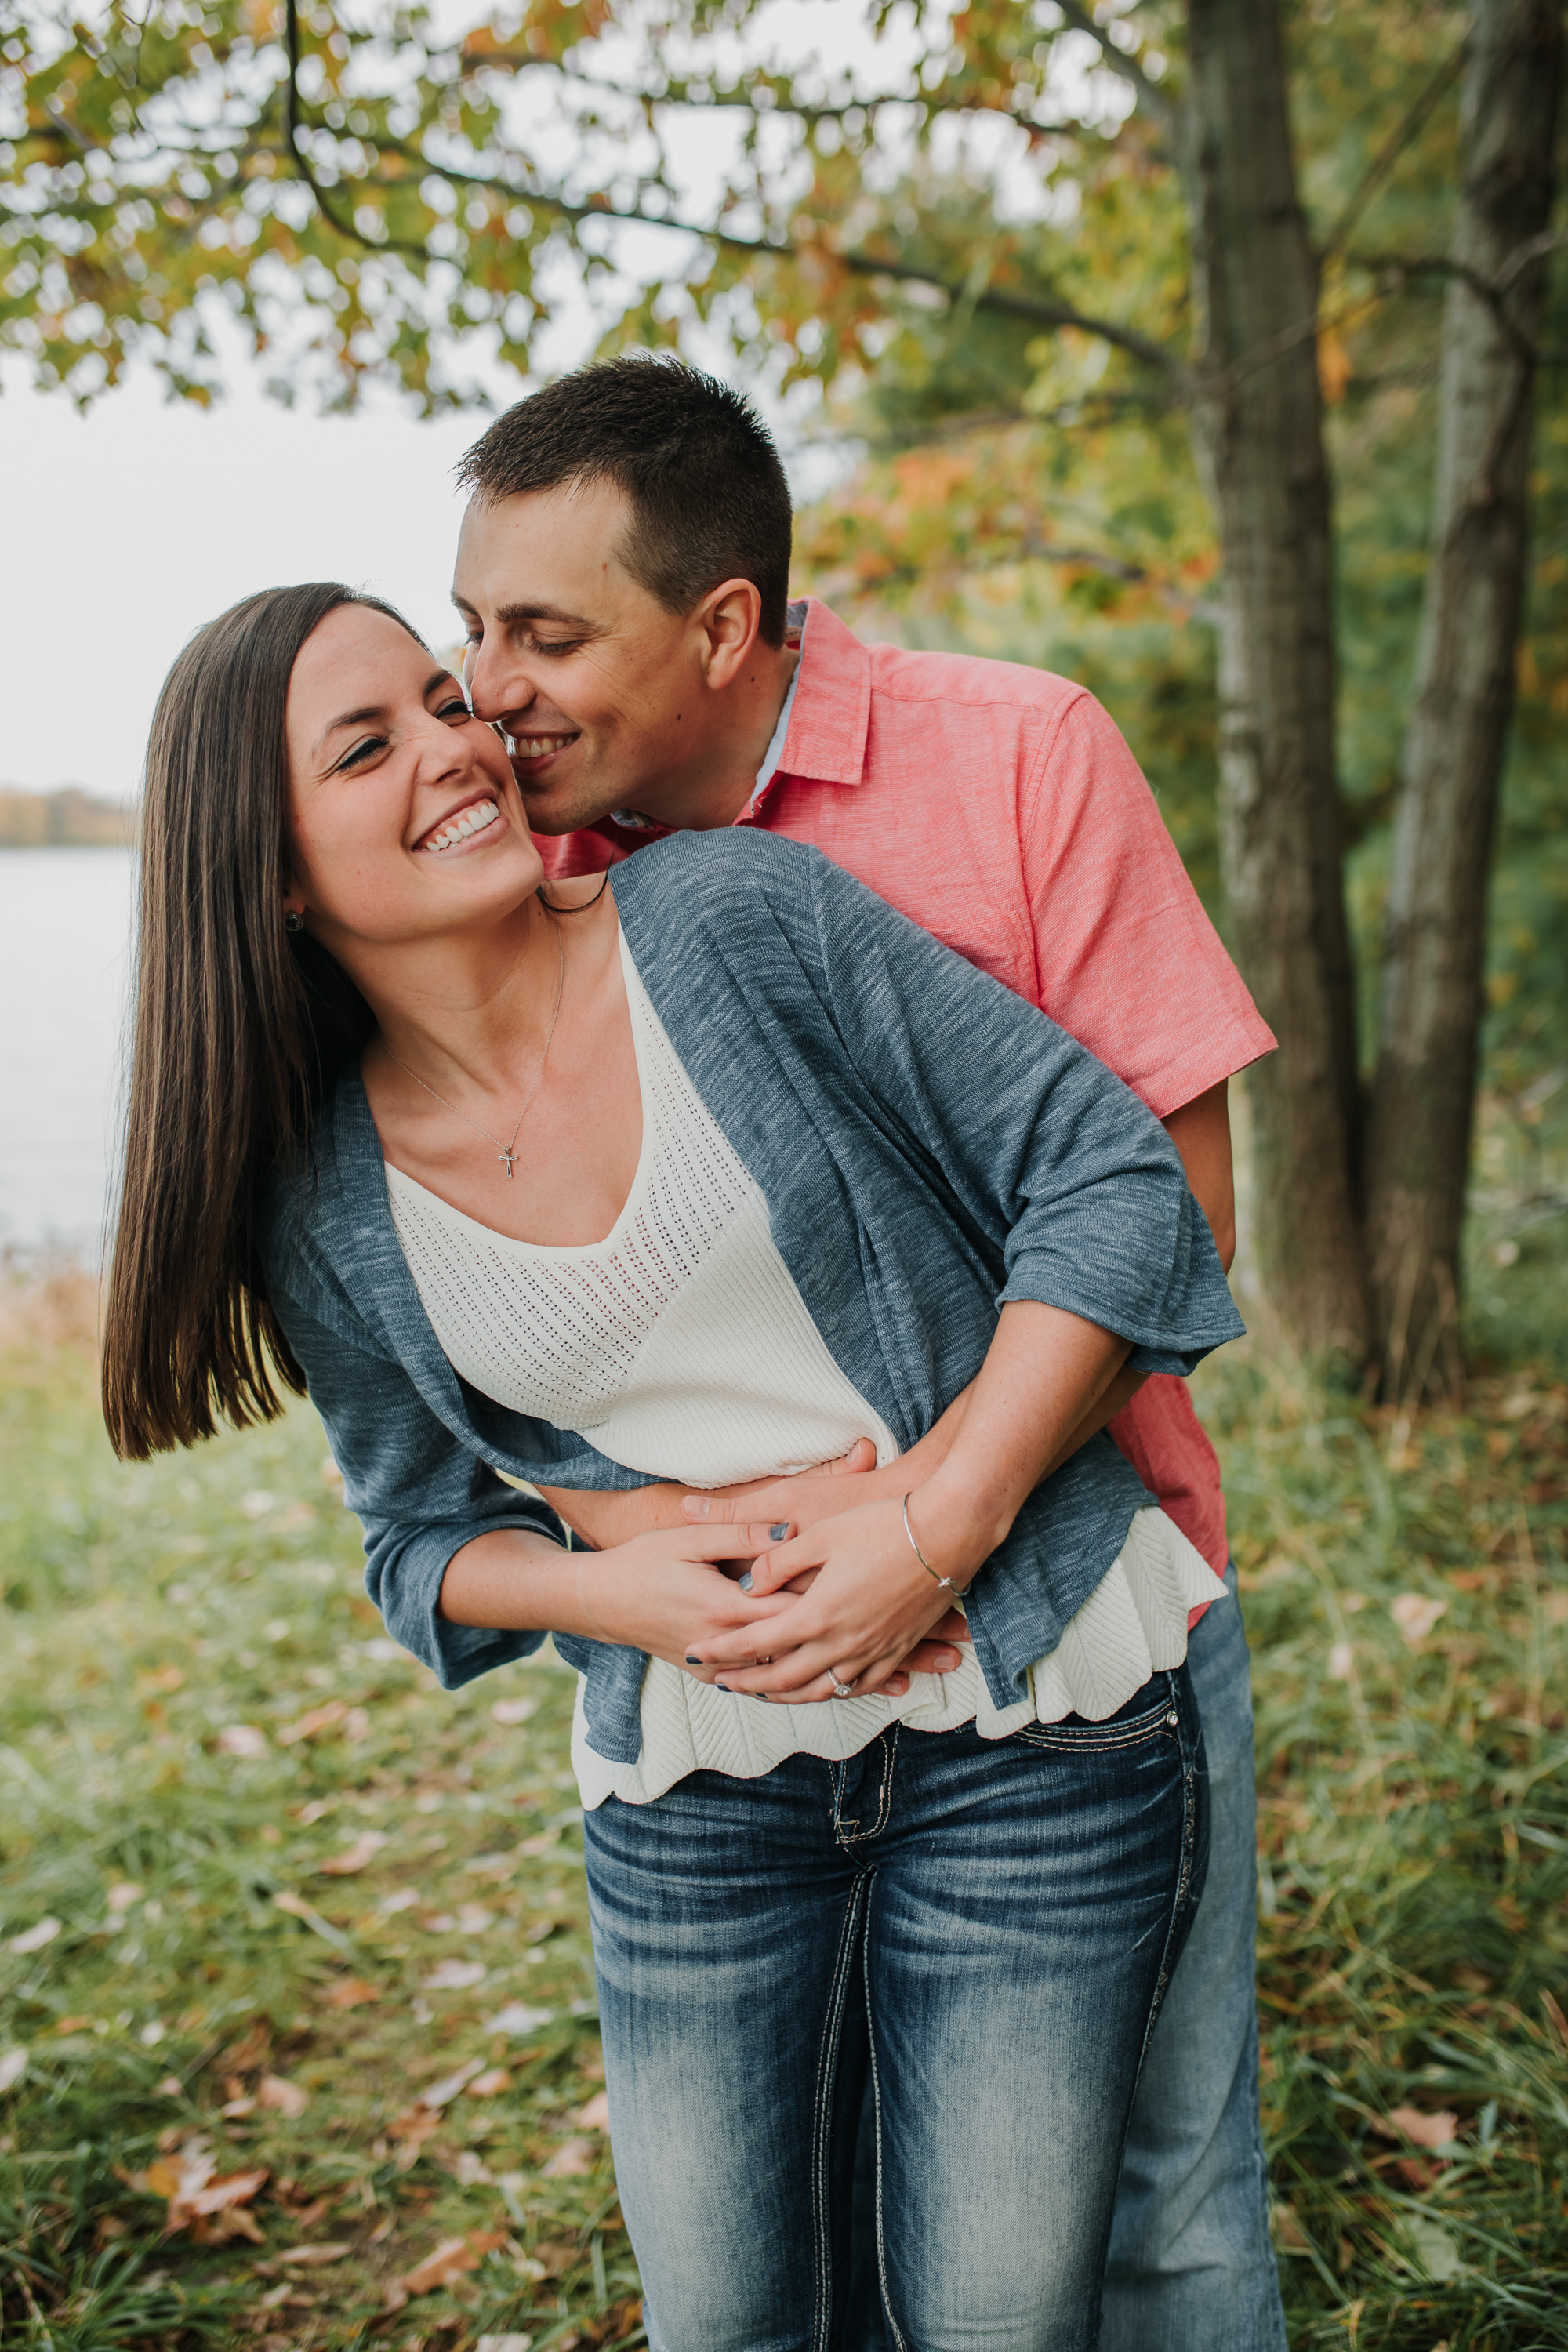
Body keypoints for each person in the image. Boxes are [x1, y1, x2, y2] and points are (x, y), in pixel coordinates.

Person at [103, 579, 1243, 2350]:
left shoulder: (730, 918)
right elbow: (416, 1539)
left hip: (1036, 1728)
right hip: (697, 1809)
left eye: (437, 694)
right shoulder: (323, 1199)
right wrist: (605, 1588)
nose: (458, 742)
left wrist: (937, 1525)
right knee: (733, 2325)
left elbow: (1108, 1180)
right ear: (270, 878)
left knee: (997, 2323)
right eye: (367, 744)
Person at [448, 355, 1287, 2352]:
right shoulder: (522, 867)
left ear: (722, 626)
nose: (490, 690)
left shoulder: (1012, 759)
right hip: (738, 1725)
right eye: (472, 627)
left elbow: (1180, 1209)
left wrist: (930, 1517)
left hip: (1089, 1638)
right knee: (827, 2257)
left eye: (546, 633)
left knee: (1161, 2222)